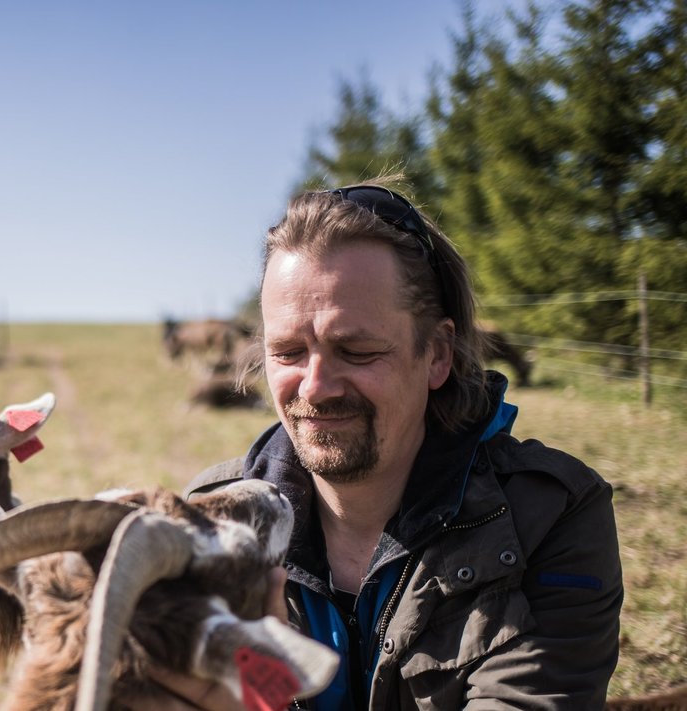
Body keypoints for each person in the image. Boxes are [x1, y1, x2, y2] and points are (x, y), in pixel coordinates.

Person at [146, 179, 623, 710]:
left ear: (438, 354)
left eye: (356, 350)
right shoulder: (213, 524)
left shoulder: (548, 516)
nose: (314, 387)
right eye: (287, 352)